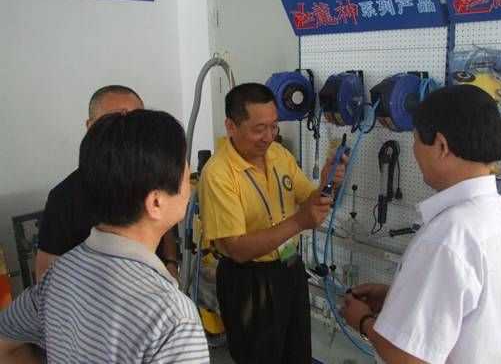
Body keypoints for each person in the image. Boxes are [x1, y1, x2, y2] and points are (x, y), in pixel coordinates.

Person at [0, 109, 209, 363]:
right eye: (186, 173)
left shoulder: (58, 274)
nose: (190, 183)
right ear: (156, 202)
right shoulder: (172, 318)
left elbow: (5, 343)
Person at [341, 84, 501, 363]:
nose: (414, 151)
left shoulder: (448, 236)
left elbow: (407, 358)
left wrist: (363, 321)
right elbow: (474, 307)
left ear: (441, 146)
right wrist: (397, 299)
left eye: (416, 140)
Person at [198, 83, 346, 364]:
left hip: (289, 270)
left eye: (274, 126)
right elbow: (237, 248)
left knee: (297, 354)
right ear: (231, 126)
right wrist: (299, 222)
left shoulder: (279, 155)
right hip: (248, 282)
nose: (268, 137)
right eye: (259, 129)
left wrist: (328, 184)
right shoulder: (218, 174)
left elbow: (308, 199)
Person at [36, 85, 179, 280]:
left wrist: (171, 262)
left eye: (136, 123)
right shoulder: (64, 197)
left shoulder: (153, 176)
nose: (126, 133)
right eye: (115, 122)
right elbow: (45, 274)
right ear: (90, 127)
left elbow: (165, 224)